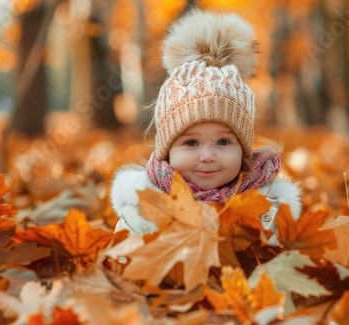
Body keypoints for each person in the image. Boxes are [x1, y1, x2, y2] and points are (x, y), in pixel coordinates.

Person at [110, 9, 302, 244]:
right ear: (166, 150)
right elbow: (122, 265)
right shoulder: (142, 211)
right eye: (191, 142)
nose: (208, 156)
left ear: (244, 150)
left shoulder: (267, 211)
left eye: (223, 142)